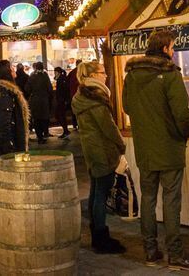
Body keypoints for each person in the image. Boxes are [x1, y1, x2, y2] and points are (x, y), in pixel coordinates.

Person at [122, 31, 189, 271]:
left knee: (147, 199)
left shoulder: (133, 75)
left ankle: (150, 251)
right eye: (173, 47)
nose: (174, 51)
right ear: (166, 48)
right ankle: (176, 255)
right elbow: (181, 113)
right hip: (169, 147)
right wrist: (184, 134)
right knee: (171, 201)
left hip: (145, 147)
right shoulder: (170, 74)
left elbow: (127, 106)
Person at [73, 61, 126, 254]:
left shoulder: (83, 95)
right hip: (102, 150)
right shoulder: (94, 98)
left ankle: (97, 234)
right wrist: (121, 144)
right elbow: (108, 127)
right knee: (101, 194)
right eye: (102, 72)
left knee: (96, 191)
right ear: (93, 75)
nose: (106, 75)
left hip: (92, 148)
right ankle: (101, 238)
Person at [0, 59, 29, 248]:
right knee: (2, 196)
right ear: (7, 73)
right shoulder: (4, 94)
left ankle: (1, 234)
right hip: (1, 152)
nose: (15, 72)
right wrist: (11, 154)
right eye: (12, 69)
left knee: (0, 194)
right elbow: (4, 127)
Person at [27, 61, 54, 144]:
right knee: (44, 118)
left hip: (35, 100)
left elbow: (27, 88)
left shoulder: (32, 76)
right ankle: (44, 133)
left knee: (36, 119)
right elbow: (50, 88)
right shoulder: (45, 76)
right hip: (44, 100)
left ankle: (39, 137)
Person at [53, 67, 71, 140]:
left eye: (55, 72)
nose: (54, 73)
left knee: (59, 115)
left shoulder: (61, 79)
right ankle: (66, 131)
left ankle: (66, 131)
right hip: (62, 100)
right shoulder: (62, 78)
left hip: (62, 100)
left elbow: (64, 90)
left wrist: (65, 99)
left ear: (58, 72)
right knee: (60, 115)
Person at [66, 66, 80, 131]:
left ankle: (75, 124)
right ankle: (79, 124)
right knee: (80, 111)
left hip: (73, 94)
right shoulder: (81, 71)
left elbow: (67, 82)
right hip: (80, 94)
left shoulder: (72, 72)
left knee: (74, 110)